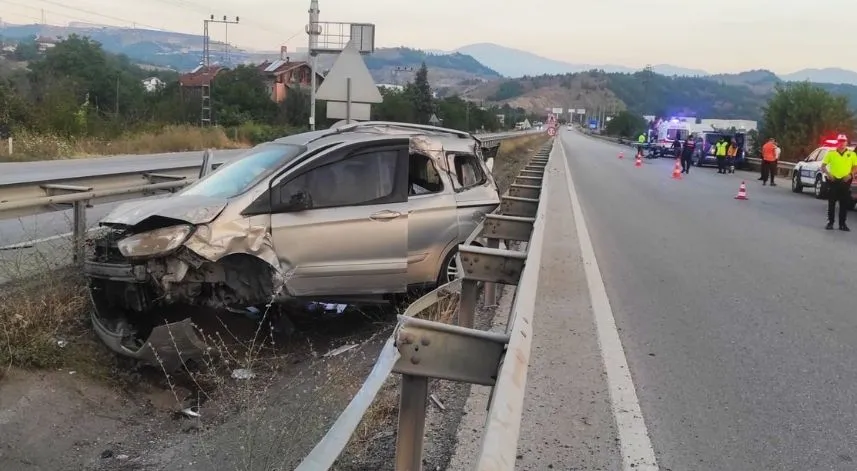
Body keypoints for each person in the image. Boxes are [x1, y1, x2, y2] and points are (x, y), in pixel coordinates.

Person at [820, 134, 857, 231]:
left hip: (845, 181)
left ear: (846, 142)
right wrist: (828, 174)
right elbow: (823, 166)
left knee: (844, 204)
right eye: (840, 141)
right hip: (834, 180)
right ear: (837, 142)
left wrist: (850, 175)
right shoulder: (831, 153)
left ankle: (842, 224)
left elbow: (855, 167)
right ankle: (830, 222)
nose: (842, 143)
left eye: (844, 141)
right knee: (831, 203)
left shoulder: (852, 154)